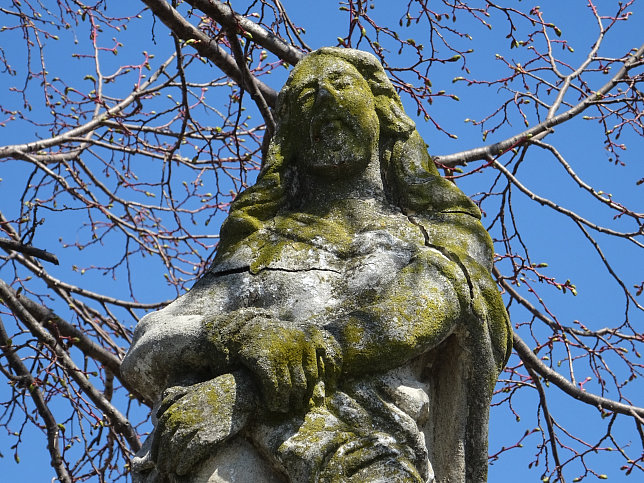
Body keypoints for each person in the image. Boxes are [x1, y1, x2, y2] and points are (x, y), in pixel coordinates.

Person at [122, 47, 512, 483]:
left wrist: (250, 387)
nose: (325, 97)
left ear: (381, 112)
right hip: (234, 448)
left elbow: (435, 303)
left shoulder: (437, 231)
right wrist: (235, 334)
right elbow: (149, 346)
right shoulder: (261, 244)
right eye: (307, 95)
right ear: (288, 136)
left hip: (370, 449)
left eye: (341, 85)